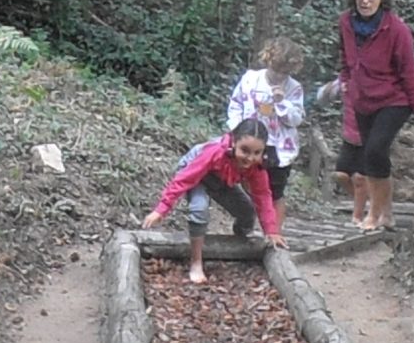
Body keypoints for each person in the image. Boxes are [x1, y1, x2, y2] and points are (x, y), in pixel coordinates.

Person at [338, 0, 414, 232]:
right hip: (362, 99)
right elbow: (344, 57)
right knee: (372, 158)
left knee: (375, 151)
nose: (365, 0)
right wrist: (346, 80)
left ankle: (373, 215)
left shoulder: (396, 29)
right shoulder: (345, 22)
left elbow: (409, 71)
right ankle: (387, 214)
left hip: (394, 99)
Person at [142, 119, 287, 284]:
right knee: (199, 209)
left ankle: (240, 243)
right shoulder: (215, 152)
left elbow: (262, 196)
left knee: (247, 213)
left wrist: (271, 230)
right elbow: (185, 179)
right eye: (245, 151)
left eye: (256, 153)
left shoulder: (257, 166)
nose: (250, 158)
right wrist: (162, 209)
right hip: (196, 173)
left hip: (222, 179)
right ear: (234, 142)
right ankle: (196, 262)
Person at [226, 36, 307, 230]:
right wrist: (236, 129)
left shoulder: (294, 88)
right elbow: (236, 103)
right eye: (276, 70)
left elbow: (296, 119)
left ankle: (274, 234)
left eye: (284, 72)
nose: (279, 76)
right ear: (268, 61)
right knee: (248, 184)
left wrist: (282, 102)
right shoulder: (250, 79)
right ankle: (249, 224)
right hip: (249, 142)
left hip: (278, 148)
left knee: (275, 191)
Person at [318, 77, 368, 227]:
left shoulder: (376, 83)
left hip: (369, 138)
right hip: (349, 137)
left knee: (359, 178)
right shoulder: (347, 80)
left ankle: (357, 216)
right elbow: (322, 97)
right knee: (340, 175)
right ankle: (368, 200)